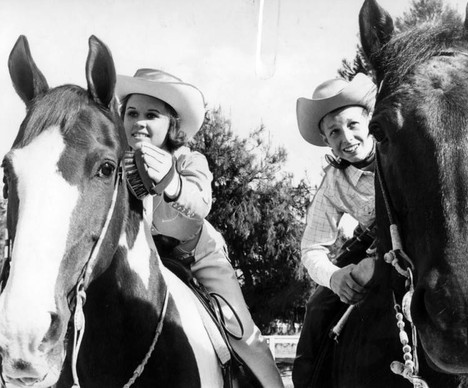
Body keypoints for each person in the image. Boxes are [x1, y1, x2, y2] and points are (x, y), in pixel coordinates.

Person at [115, 68, 284, 388]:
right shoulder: (115, 166)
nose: (139, 122)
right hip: (142, 262)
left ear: (172, 126)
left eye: (152, 115)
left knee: (242, 334)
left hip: (196, 254)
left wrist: (171, 181)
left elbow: (200, 204)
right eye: (132, 113)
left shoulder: (188, 160)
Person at [292, 73, 378, 388]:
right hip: (374, 243)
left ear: (369, 120)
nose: (346, 138)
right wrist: (335, 277)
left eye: (352, 124)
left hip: (424, 234)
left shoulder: (403, 148)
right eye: (334, 131)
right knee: (317, 305)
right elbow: (311, 248)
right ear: (326, 140)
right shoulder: (334, 182)